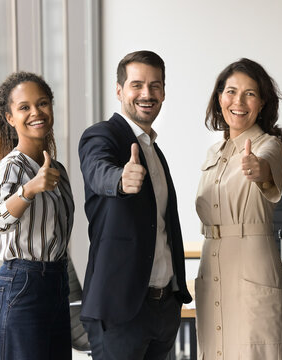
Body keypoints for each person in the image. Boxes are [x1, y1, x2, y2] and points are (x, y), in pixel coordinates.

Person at [78, 50, 192, 360]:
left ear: (164, 92)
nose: (147, 94)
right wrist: (119, 180)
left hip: (164, 309)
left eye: (155, 86)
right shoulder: (101, 136)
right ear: (119, 90)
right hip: (121, 312)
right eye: (137, 84)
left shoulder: (154, 150)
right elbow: (97, 169)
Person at [195, 58, 282, 359]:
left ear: (261, 103)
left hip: (252, 265)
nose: (239, 101)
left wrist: (258, 170)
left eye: (250, 93)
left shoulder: (268, 145)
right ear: (219, 97)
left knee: (254, 351)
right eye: (231, 91)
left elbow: (266, 168)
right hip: (213, 264)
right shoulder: (214, 153)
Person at [0, 72, 75, 359]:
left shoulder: (56, 169)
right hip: (20, 287)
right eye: (24, 107)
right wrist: (30, 189)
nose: (36, 112)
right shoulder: (11, 167)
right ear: (10, 118)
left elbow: (57, 240)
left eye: (43, 103)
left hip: (55, 285)